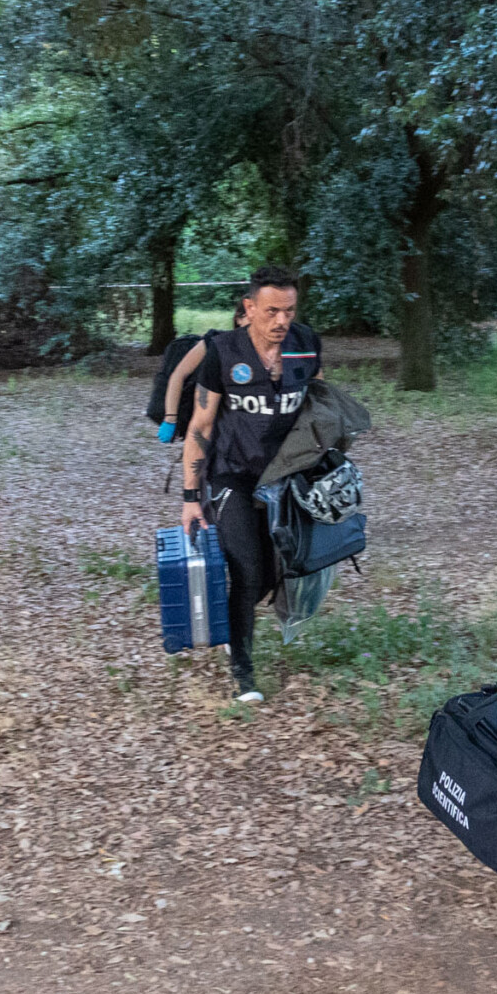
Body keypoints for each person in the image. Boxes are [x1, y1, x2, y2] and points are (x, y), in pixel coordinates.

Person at [177, 264, 322, 703]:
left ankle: (230, 621)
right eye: (272, 311)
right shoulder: (224, 352)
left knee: (275, 573)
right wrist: (189, 496)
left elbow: (317, 411)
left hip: (285, 478)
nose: (281, 321)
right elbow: (201, 425)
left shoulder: (308, 345)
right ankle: (242, 669)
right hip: (232, 476)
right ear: (250, 307)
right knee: (248, 569)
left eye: (289, 311)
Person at [150, 306, 245, 442]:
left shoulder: (273, 351)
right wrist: (170, 419)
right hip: (210, 426)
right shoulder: (215, 342)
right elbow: (179, 375)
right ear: (239, 319)